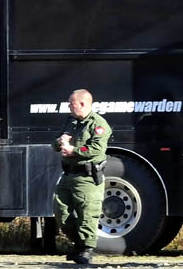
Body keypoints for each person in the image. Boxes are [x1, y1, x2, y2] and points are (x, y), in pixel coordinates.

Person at [52, 89, 111, 265]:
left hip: (87, 176)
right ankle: (78, 243)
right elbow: (55, 144)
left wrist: (74, 151)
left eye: (71, 103)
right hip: (68, 174)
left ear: (82, 104)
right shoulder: (71, 122)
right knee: (60, 210)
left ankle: (86, 249)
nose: (69, 107)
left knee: (87, 214)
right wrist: (60, 142)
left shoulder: (98, 124)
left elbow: (96, 149)